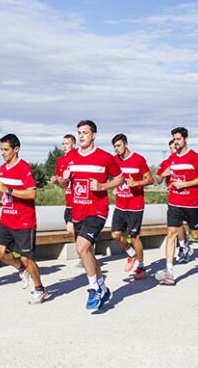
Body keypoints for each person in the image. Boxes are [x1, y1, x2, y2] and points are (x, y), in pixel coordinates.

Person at [61, 120, 124, 310]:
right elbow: (65, 185)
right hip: (77, 210)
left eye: (85, 133)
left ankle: (93, 288)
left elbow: (120, 177)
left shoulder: (104, 157)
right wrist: (62, 180)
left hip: (97, 210)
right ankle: (103, 287)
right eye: (79, 132)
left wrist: (104, 186)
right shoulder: (70, 158)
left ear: (94, 135)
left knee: (82, 247)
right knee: (86, 251)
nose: (81, 136)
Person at [0, 134, 50, 304]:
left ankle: (40, 289)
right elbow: (7, 194)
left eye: (6, 149)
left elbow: (32, 194)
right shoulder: (3, 168)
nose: (2, 153)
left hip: (24, 221)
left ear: (16, 149)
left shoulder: (24, 168)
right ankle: (20, 268)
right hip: (6, 219)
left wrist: (8, 190)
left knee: (27, 257)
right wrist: (2, 201)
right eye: (1, 149)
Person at [154, 127, 198, 286]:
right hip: (175, 203)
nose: (176, 142)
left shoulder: (194, 157)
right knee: (171, 234)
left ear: (186, 139)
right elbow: (158, 179)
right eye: (174, 139)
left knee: (196, 235)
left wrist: (186, 184)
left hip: (192, 203)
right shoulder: (171, 159)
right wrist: (163, 175)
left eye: (178, 139)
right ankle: (169, 272)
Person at [111, 134, 153, 280]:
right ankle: (132, 255)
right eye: (115, 147)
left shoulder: (138, 159)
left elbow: (150, 179)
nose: (117, 149)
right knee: (115, 235)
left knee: (134, 237)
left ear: (126, 144)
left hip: (135, 206)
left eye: (119, 146)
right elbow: (114, 179)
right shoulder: (114, 160)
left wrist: (137, 183)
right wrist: (114, 187)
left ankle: (141, 266)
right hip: (120, 205)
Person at [157, 138, 193, 263]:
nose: (173, 150)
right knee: (176, 226)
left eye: (174, 147)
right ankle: (183, 247)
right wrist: (163, 174)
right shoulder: (166, 162)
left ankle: (185, 245)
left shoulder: (186, 160)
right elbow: (158, 179)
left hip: (187, 197)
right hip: (172, 198)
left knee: (183, 226)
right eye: (171, 148)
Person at [49, 134, 77, 237]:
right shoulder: (60, 161)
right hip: (69, 203)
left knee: (71, 229)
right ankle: (87, 250)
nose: (64, 146)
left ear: (73, 144)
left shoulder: (79, 157)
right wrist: (57, 181)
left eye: (67, 144)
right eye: (63, 144)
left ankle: (86, 249)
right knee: (72, 231)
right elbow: (64, 185)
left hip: (79, 203)